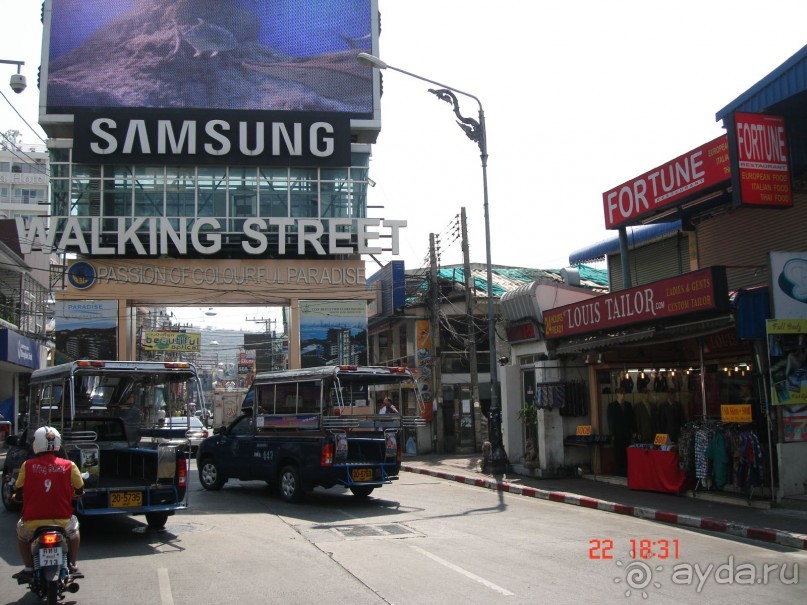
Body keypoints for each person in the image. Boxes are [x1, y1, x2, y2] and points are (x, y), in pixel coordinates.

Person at [12, 426, 84, 581]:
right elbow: (80, 487)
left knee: (21, 536)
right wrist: (77, 494)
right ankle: (72, 564)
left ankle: (28, 567)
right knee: (74, 532)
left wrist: (17, 497)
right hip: (63, 521)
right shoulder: (69, 465)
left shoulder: (27, 465)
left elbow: (18, 490)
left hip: (32, 522)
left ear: (36, 443)